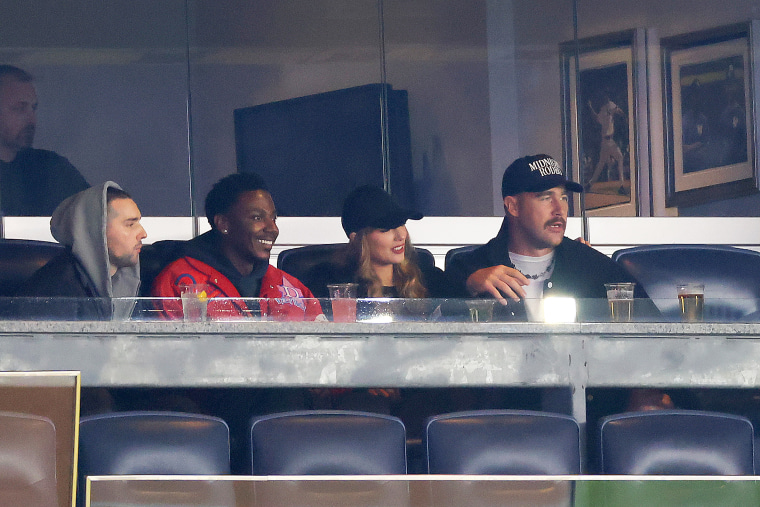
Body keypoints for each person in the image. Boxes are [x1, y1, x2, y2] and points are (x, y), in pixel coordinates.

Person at [445, 154, 655, 322]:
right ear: (513, 206)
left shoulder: (591, 265)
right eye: (546, 198)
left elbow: (657, 335)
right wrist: (470, 287)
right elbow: (434, 339)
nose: (560, 209)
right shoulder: (469, 268)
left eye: (563, 197)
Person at [150, 172, 323, 321]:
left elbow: (324, 350)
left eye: (273, 218)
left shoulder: (290, 286)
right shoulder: (181, 282)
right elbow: (171, 352)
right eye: (257, 218)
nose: (273, 229)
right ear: (224, 223)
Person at [15, 182, 146, 320]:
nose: (143, 233)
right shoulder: (56, 292)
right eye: (130, 224)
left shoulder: (125, 284)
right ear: (96, 230)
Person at [304, 184, 448, 301]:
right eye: (385, 229)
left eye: (401, 224)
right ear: (357, 239)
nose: (401, 235)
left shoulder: (430, 278)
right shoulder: (330, 284)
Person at [0, 65, 89, 215]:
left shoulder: (51, 168)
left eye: (33, 108)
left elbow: (95, 218)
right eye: (19, 108)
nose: (31, 119)